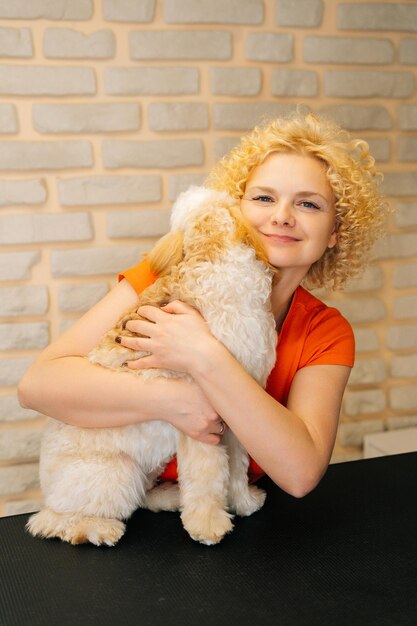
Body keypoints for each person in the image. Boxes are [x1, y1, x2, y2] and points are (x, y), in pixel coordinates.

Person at [18, 112, 388, 498]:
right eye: (264, 198)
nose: (282, 217)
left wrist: (204, 357)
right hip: (120, 502)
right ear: (237, 207)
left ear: (334, 233)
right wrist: (173, 401)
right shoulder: (166, 278)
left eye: (308, 205)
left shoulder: (324, 332)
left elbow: (300, 475)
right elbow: (37, 387)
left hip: (229, 516)